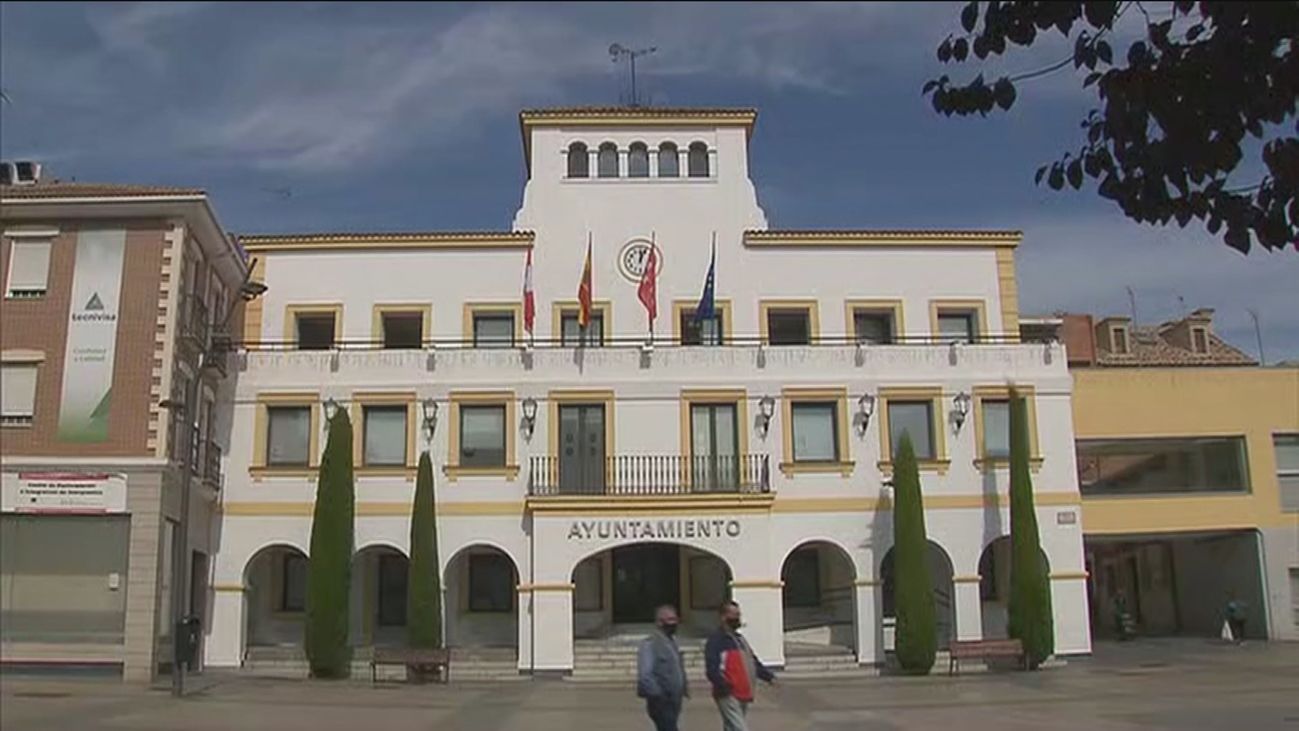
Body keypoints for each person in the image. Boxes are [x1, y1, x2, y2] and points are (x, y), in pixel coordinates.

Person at [704, 601, 773, 731]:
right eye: (734, 615)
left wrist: (769, 677)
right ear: (724, 617)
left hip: (743, 693)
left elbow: (753, 662)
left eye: (738, 614)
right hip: (728, 694)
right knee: (739, 727)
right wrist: (723, 685)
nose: (737, 618)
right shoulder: (716, 640)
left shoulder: (740, 640)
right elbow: (711, 668)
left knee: (731, 727)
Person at [637, 605, 688, 731]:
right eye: (670, 619)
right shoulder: (650, 644)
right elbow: (645, 675)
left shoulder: (672, 642)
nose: (674, 623)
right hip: (661, 701)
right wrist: (658, 695)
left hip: (674, 700)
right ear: (659, 622)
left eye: (675, 619)